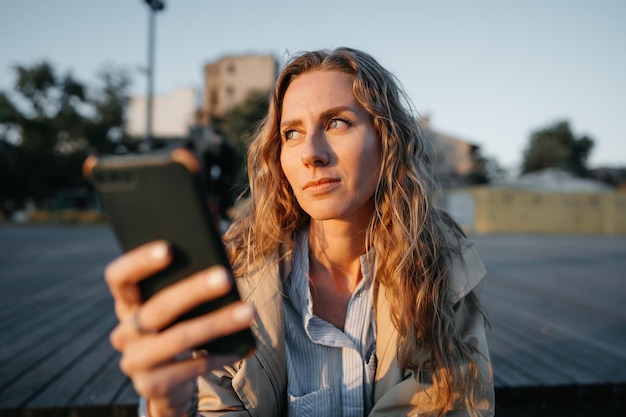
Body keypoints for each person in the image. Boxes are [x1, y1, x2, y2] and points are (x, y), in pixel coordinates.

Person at [106, 47, 494, 417]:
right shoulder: (234, 276)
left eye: (337, 122)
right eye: (291, 132)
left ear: (387, 140)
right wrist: (168, 409)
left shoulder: (440, 268)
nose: (311, 152)